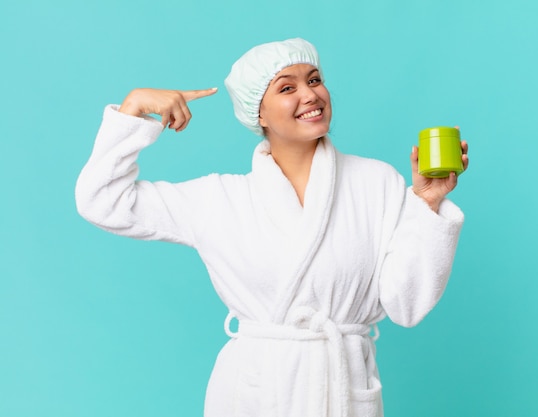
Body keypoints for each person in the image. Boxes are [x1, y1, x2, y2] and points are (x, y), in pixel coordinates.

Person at [75, 38, 468, 417]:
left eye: (314, 80)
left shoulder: (376, 182)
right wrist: (132, 112)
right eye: (287, 87)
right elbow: (103, 200)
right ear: (257, 113)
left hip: (343, 390)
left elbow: (406, 304)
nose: (310, 94)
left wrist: (427, 203)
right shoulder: (220, 199)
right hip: (254, 395)